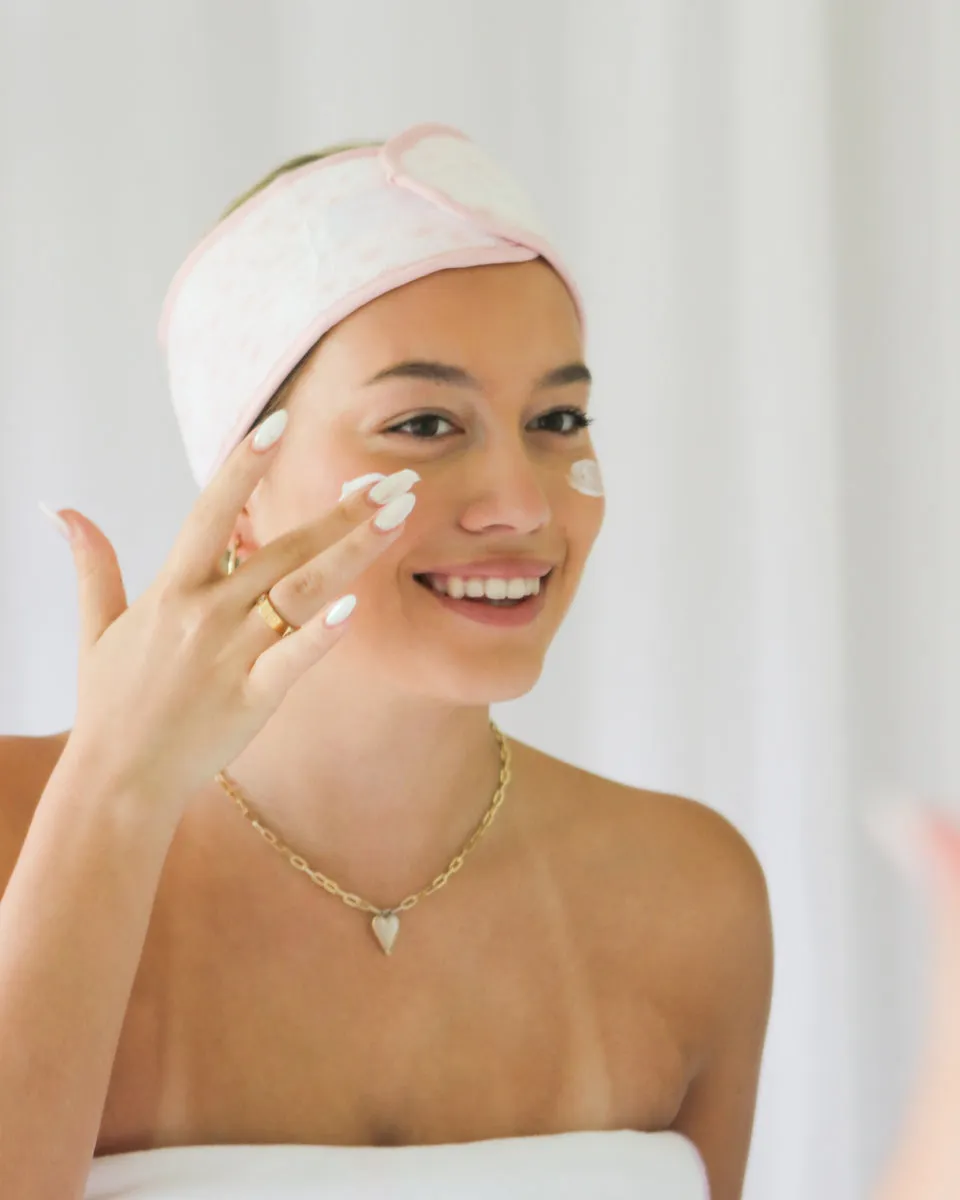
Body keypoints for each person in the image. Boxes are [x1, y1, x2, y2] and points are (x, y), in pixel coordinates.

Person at [0, 124, 773, 1200]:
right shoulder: (14, 830)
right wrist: (115, 799)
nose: (521, 505)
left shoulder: (694, 895)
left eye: (558, 419)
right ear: (241, 487)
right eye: (421, 423)